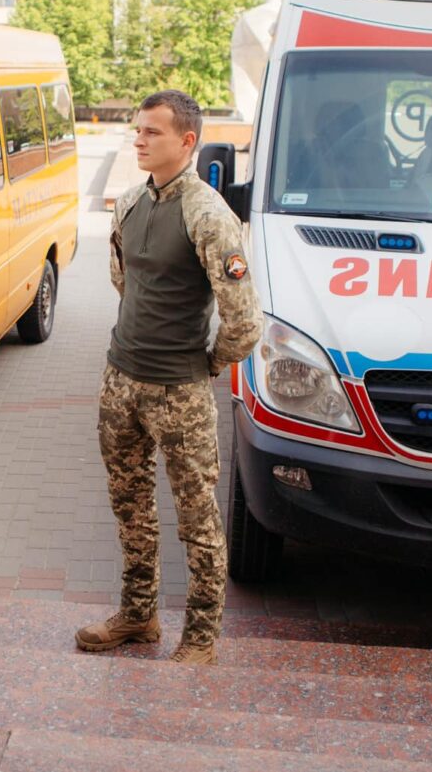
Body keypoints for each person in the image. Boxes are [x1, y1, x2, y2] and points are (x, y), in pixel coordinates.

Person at [76, 90, 263, 665]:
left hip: (179, 391)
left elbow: (244, 321)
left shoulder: (208, 214)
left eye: (151, 132)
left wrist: (205, 364)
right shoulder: (130, 202)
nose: (138, 140)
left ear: (186, 141)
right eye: (136, 131)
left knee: (196, 517)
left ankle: (201, 638)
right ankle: (138, 616)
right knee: (130, 505)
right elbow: (122, 279)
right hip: (120, 380)